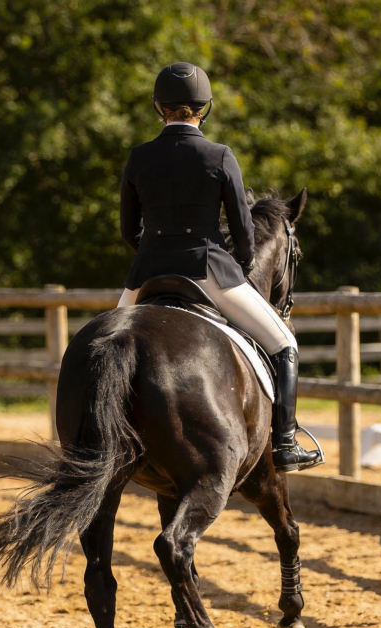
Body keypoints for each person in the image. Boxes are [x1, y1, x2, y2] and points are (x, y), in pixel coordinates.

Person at [117, 62, 322, 473]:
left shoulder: (139, 157)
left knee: (105, 346)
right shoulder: (220, 155)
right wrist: (240, 266)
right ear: (204, 108)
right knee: (284, 345)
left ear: (160, 107)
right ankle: (284, 444)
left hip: (147, 273)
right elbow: (244, 234)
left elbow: (128, 228)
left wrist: (155, 251)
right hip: (209, 271)